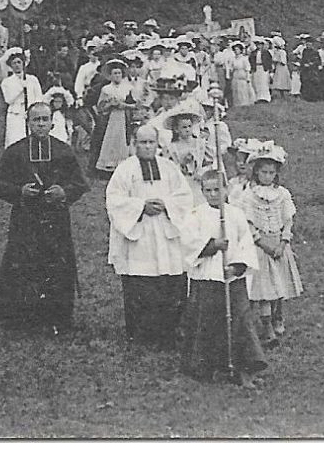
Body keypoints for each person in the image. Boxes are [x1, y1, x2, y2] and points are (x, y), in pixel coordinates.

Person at [0, 103, 88, 334]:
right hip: (26, 219)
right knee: (23, 264)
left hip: (56, 218)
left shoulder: (64, 151)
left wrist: (64, 193)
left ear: (52, 123)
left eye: (45, 119)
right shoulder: (15, 152)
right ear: (28, 123)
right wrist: (19, 191)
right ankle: (20, 318)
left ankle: (57, 317)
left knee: (57, 265)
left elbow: (80, 183)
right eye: (36, 120)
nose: (41, 124)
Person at [179, 170, 270, 385]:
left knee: (240, 320)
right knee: (207, 321)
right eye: (207, 191)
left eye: (217, 190)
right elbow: (188, 243)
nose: (212, 195)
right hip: (206, 278)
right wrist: (212, 246)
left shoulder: (235, 215)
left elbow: (245, 243)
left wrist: (237, 267)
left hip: (231, 278)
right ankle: (204, 366)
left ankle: (245, 368)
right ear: (201, 192)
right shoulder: (195, 215)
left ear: (226, 190)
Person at [106, 124, 193, 348]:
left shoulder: (169, 168)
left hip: (165, 232)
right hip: (139, 235)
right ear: (134, 144)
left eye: (151, 142)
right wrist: (141, 206)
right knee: (141, 285)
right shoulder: (125, 170)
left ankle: (169, 331)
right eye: (142, 143)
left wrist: (166, 204)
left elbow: (184, 196)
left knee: (170, 284)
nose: (147, 147)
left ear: (157, 144)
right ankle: (141, 334)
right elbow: (115, 200)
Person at [230, 142, 304, 347]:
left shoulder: (282, 194)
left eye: (272, 172)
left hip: (278, 243)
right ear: (256, 172)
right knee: (263, 289)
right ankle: (267, 328)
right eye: (264, 172)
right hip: (261, 246)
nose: (268, 176)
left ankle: (277, 317)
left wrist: (283, 242)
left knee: (278, 285)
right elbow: (248, 223)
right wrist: (261, 242)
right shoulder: (249, 196)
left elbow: (287, 219)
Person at [0, 47, 44, 148]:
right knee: (15, 140)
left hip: (31, 113)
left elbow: (39, 97)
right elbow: (8, 99)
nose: (17, 65)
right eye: (14, 63)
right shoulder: (7, 82)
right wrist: (21, 88)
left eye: (19, 62)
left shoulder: (32, 79)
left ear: (23, 64)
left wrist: (32, 109)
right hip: (15, 114)